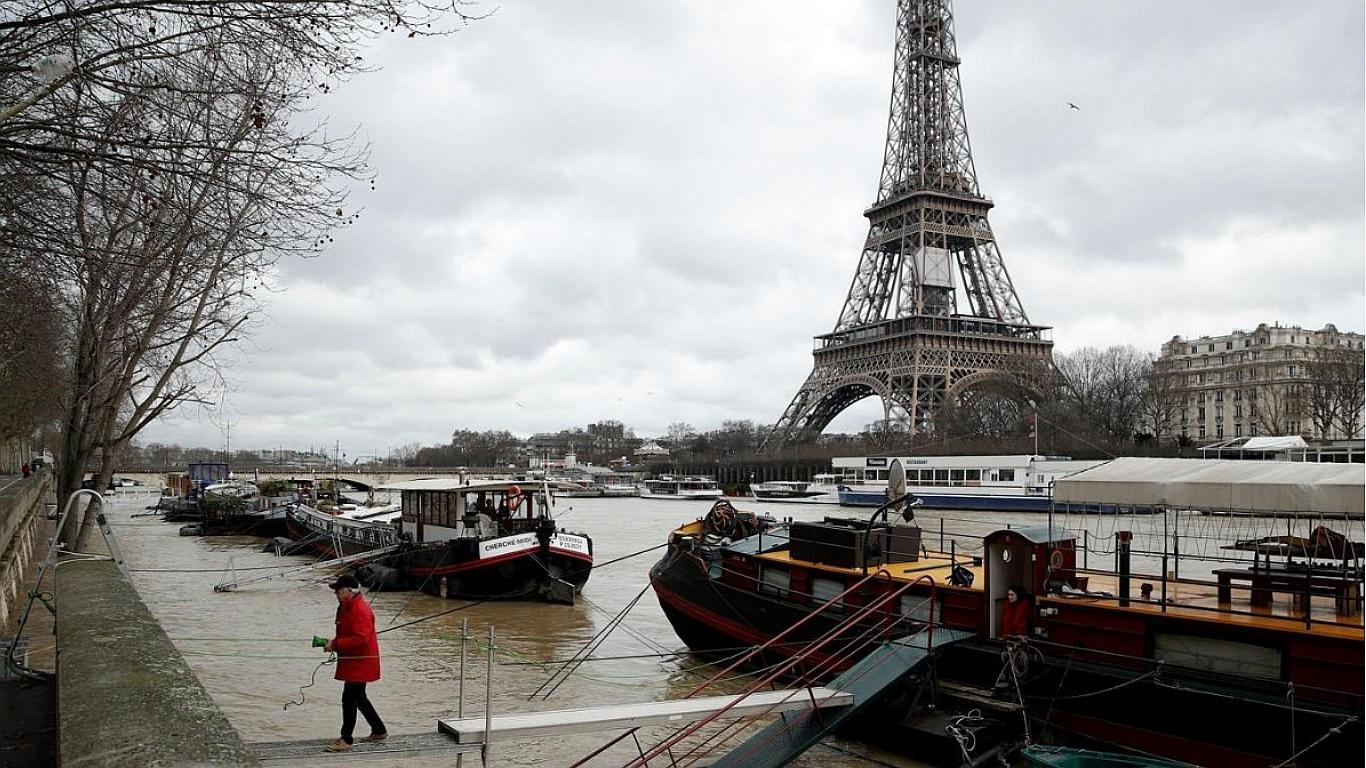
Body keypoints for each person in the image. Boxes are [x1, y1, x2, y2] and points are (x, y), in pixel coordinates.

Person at [323, 574, 387, 752]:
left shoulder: (359, 609)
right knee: (359, 697)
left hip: (361, 662)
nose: (335, 593)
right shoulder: (347, 606)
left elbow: (360, 638)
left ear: (348, 591)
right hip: (356, 660)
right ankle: (379, 730)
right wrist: (334, 643)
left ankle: (346, 739)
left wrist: (335, 644)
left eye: (338, 590)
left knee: (349, 698)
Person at [994, 585, 1033, 695]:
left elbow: (1021, 622)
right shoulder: (1008, 605)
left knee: (1018, 661)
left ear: (1018, 595)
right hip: (1010, 638)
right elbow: (1006, 622)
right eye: (1008, 595)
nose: (1009, 597)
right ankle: (1009, 681)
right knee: (1008, 659)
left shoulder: (1024, 606)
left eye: (1012, 595)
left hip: (1020, 638)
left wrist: (1023, 637)